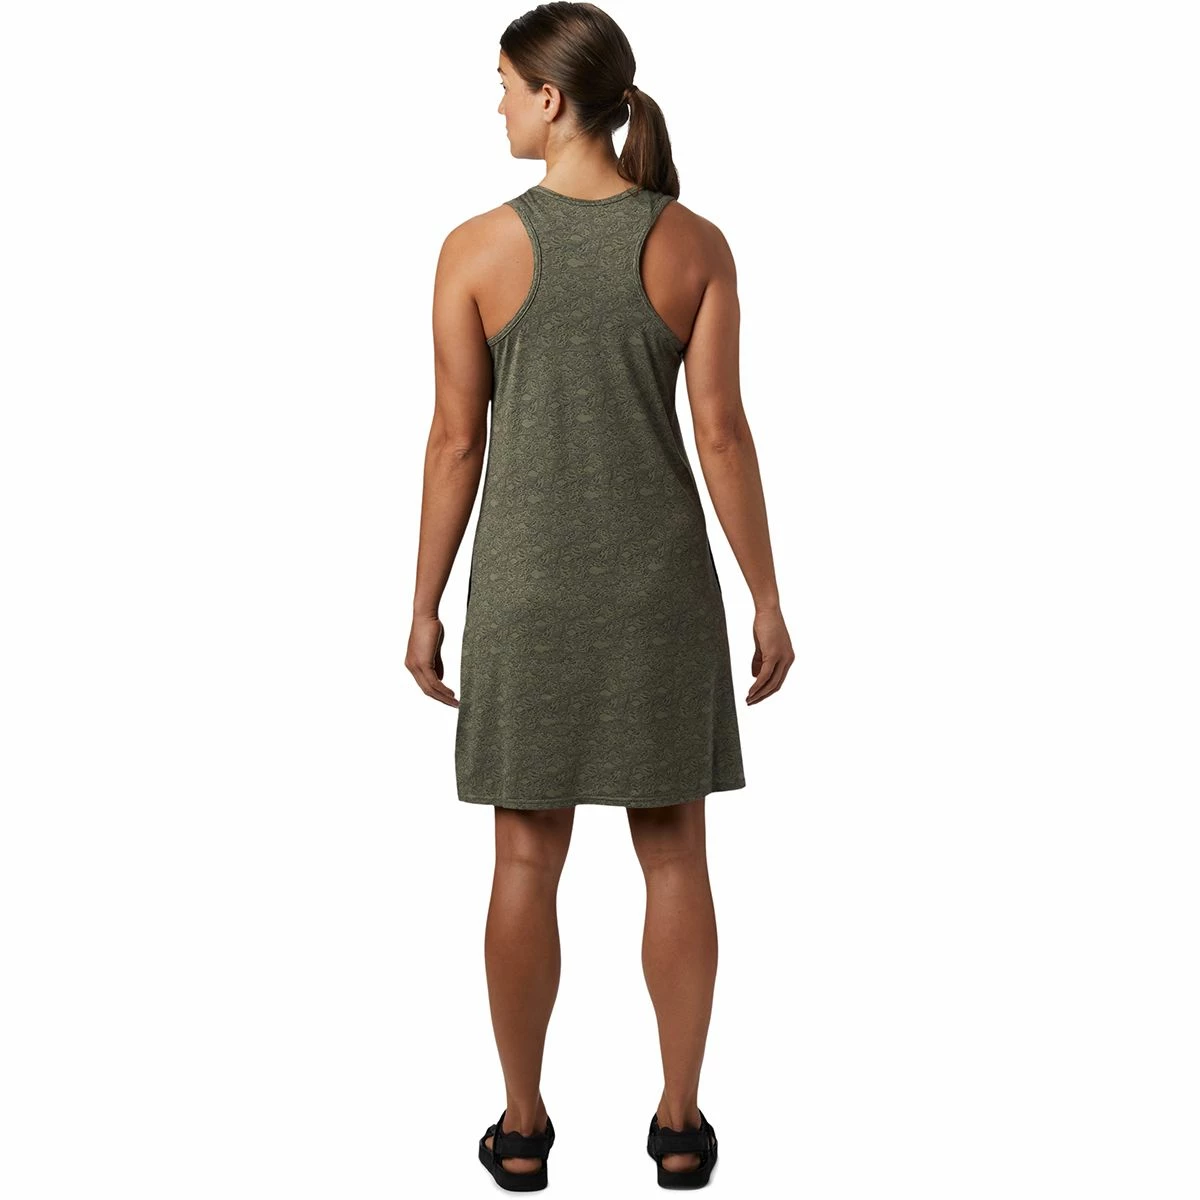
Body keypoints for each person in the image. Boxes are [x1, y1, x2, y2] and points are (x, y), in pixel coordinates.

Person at [406, 2, 794, 1189]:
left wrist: (422, 605)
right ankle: (678, 1123)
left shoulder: (474, 250)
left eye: (504, 84)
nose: (497, 105)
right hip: (658, 594)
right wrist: (766, 599)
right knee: (675, 857)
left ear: (552, 97)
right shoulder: (695, 245)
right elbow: (720, 435)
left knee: (525, 861)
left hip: (524, 595)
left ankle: (523, 1127)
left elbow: (455, 444)